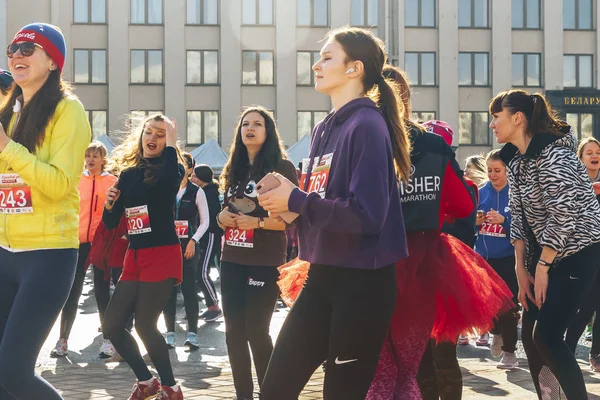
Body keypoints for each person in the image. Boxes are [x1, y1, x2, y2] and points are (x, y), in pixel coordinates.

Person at [258, 27, 412, 399]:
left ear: (354, 68)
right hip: (321, 278)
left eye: (327, 57)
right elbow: (325, 205)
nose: (317, 65)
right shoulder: (323, 128)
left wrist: (296, 200)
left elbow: (367, 216)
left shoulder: (367, 125)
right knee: (275, 389)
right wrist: (287, 207)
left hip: (362, 286)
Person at [0, 23, 91, 399]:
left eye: (27, 49)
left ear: (53, 62)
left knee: (14, 370)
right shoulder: (11, 108)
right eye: (12, 48)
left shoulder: (68, 110)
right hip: (5, 251)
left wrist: (7, 147)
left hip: (47, 255)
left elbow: (58, 185)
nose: (16, 55)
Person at [494, 89, 600, 399]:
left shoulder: (555, 153)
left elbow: (563, 213)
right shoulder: (514, 158)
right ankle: (552, 397)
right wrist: (521, 267)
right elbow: (518, 213)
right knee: (531, 337)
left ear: (518, 118)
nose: (493, 124)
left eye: (496, 117)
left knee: (549, 335)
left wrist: (542, 267)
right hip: (544, 255)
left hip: (578, 252)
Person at [216, 106, 298, 400]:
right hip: (231, 260)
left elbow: (290, 218)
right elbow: (227, 210)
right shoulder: (233, 169)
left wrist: (258, 222)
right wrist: (219, 219)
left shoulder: (282, 169)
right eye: (245, 124)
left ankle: (273, 394)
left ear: (269, 131)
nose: (249, 129)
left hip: (264, 262)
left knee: (256, 332)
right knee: (233, 333)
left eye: (257, 124)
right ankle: (243, 396)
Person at [102, 114, 184, 400]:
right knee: (112, 325)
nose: (152, 138)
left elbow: (169, 186)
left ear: (168, 141)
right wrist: (109, 204)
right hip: (134, 255)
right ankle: (146, 381)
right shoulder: (128, 174)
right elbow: (112, 223)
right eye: (148, 132)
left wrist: (172, 144)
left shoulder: (171, 170)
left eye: (160, 134)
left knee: (145, 325)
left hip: (162, 252)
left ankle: (172, 388)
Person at [51, 141, 117, 357]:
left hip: (101, 244)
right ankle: (62, 340)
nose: (90, 160)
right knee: (72, 292)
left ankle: (108, 340)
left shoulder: (113, 182)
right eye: (88, 155)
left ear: (103, 159)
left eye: (95, 156)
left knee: (101, 291)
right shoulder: (76, 180)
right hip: (76, 242)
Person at [474, 149, 520, 370]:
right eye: (490, 170)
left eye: (497, 170)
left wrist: (505, 220)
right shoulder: (480, 193)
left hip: (509, 260)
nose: (492, 175)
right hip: (483, 260)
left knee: (508, 309)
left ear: (508, 170)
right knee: (486, 309)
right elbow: (466, 223)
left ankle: (510, 353)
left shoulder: (517, 194)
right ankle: (496, 332)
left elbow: (525, 230)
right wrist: (476, 221)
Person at [163, 152, 209, 349]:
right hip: (168, 246)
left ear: (190, 169)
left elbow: (205, 221)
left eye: (184, 165)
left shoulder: (196, 191)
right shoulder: (166, 189)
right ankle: (170, 334)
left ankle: (192, 333)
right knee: (169, 291)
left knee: (189, 289)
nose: (180, 168)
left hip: (189, 246)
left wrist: (193, 240)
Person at [565, 137, 600, 372]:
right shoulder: (574, 182)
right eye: (589, 152)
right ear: (580, 157)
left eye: (598, 151)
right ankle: (565, 349)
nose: (594, 155)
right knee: (586, 306)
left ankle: (596, 353)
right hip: (583, 252)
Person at [191, 164, 223, 321]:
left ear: (202, 179)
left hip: (210, 235)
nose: (192, 178)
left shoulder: (209, 194)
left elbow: (209, 220)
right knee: (199, 271)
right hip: (201, 236)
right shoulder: (201, 192)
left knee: (202, 272)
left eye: (195, 176)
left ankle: (215, 307)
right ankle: (211, 305)